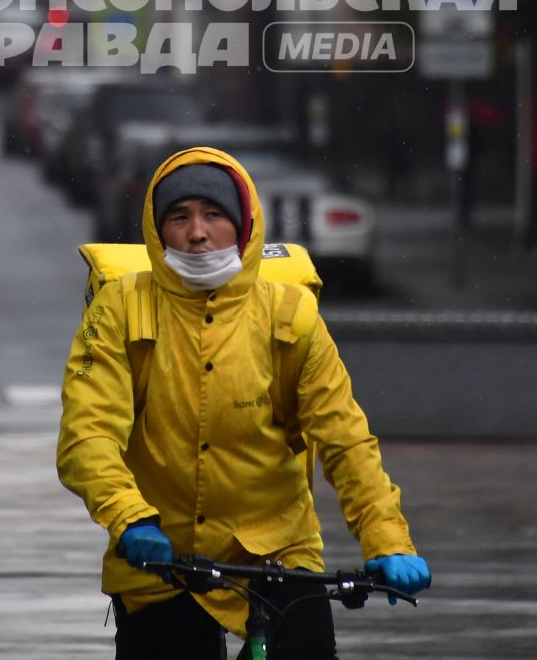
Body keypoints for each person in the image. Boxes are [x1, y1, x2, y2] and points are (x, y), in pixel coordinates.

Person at [58, 146, 430, 659]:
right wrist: (130, 520)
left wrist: (387, 540)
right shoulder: (119, 310)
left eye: (214, 215)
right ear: (155, 228)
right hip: (161, 561)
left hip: (277, 552)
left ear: (245, 225)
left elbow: (344, 439)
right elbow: (87, 435)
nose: (196, 233)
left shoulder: (291, 314)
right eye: (179, 217)